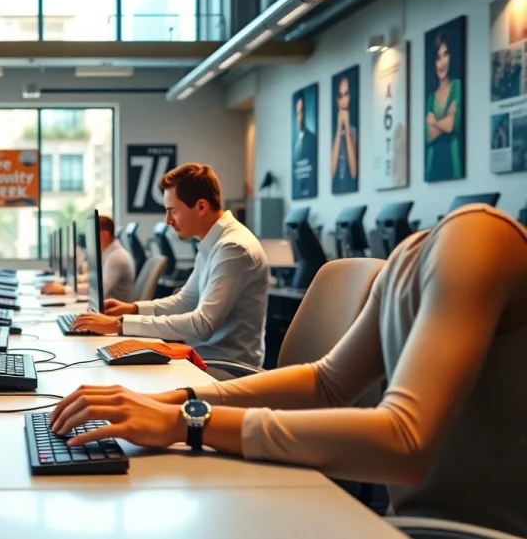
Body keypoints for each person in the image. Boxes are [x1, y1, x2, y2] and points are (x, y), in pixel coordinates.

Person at [49, 205, 527, 538]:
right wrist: (173, 400)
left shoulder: (477, 238)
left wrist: (191, 422)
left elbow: (406, 441)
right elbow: (326, 382)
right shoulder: (410, 257)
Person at [71, 164, 269, 368]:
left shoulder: (233, 248)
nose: (168, 221)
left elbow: (203, 325)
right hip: (201, 358)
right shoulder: (214, 242)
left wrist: (119, 324)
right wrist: (132, 309)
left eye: (172, 211)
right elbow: (186, 301)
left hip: (226, 368)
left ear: (201, 207)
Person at [40, 215, 135, 302]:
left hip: (114, 313)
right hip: (105, 307)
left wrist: (64, 289)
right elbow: (95, 277)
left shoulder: (116, 257)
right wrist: (74, 281)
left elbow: (99, 289)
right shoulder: (109, 253)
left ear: (104, 235)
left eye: (92, 235)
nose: (89, 240)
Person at [425, 32, 463, 182]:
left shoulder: (457, 86)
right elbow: (428, 136)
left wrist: (433, 122)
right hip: (432, 166)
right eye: (438, 58)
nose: (442, 63)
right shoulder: (430, 98)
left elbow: (450, 126)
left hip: (452, 163)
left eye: (445, 55)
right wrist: (445, 119)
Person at [331, 75, 358, 194]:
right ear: (337, 100)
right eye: (340, 96)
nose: (344, 100)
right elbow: (331, 172)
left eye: (346, 94)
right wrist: (338, 130)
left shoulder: (353, 130)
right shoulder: (332, 132)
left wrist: (346, 130)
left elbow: (353, 172)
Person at [292, 94, 318, 199]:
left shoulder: (312, 139)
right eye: (298, 113)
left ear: (305, 113)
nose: (300, 116)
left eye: (302, 111)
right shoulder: (295, 144)